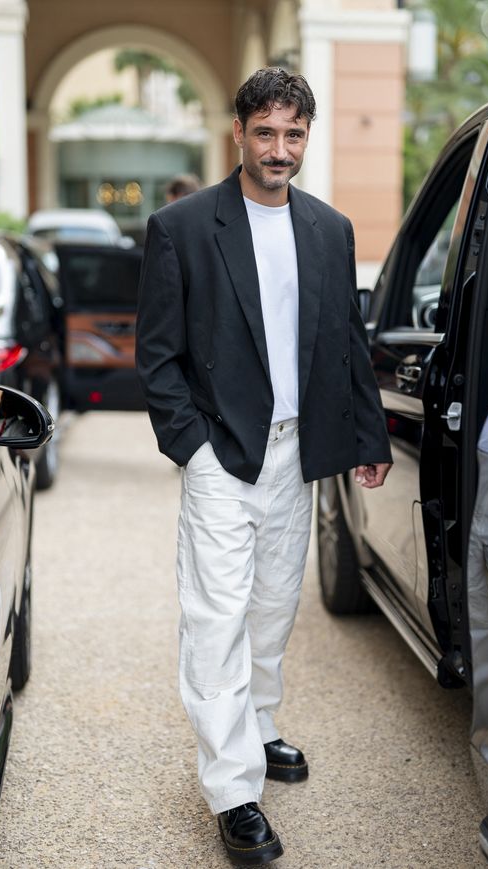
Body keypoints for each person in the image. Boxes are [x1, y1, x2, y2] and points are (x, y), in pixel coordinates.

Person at [136, 67, 392, 866]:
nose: (280, 149)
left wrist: (369, 435)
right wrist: (194, 446)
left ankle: (262, 723)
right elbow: (157, 355)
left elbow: (346, 340)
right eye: (266, 132)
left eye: (294, 133)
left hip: (298, 448)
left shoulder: (329, 228)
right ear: (238, 134)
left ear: (306, 137)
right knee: (217, 615)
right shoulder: (181, 227)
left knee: (275, 604)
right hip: (222, 450)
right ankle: (234, 788)